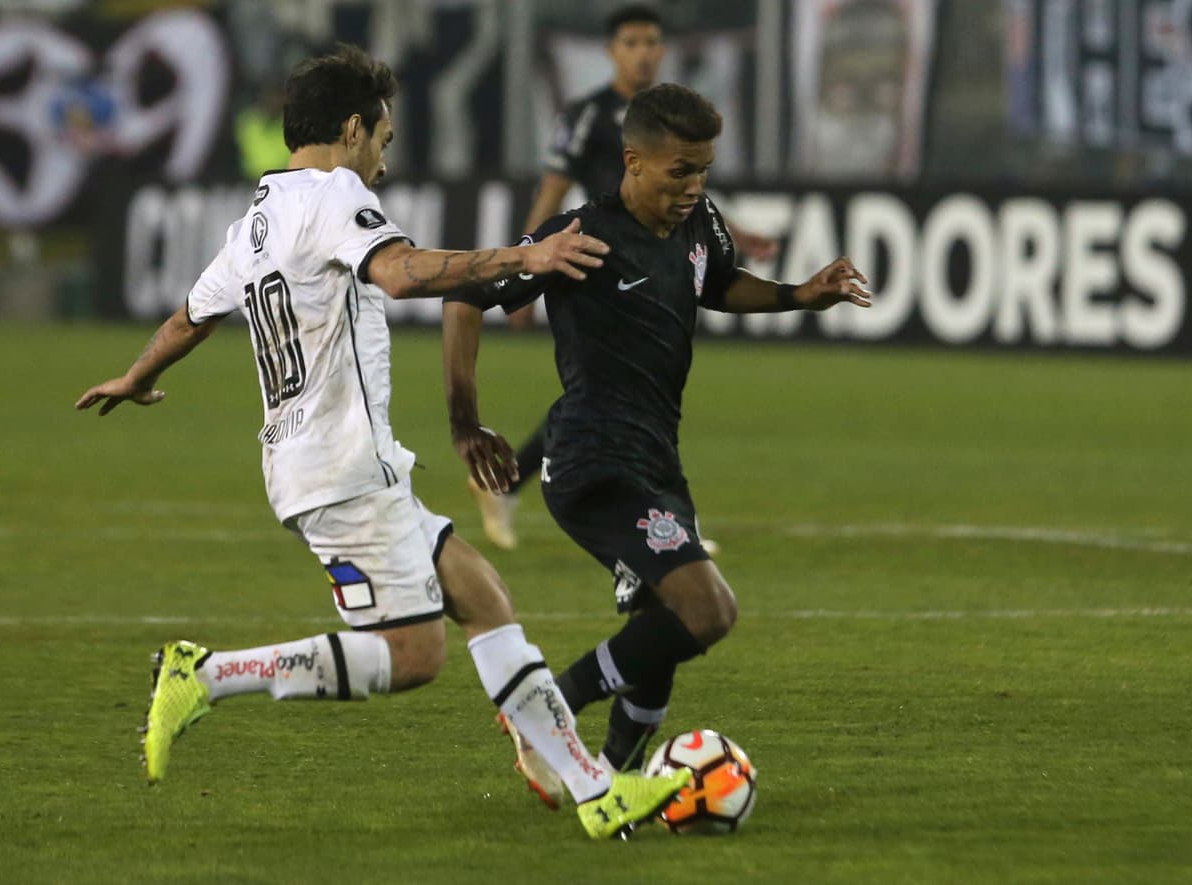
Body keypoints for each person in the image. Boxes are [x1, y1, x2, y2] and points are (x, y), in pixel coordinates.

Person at [75, 44, 689, 840]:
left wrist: (134, 374)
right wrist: (523, 255)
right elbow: (400, 274)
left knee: (484, 598)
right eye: (385, 143)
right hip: (339, 471)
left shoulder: (255, 221)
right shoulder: (333, 196)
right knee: (413, 656)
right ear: (354, 129)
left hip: (325, 467)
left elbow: (191, 316)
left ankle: (595, 790)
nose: (385, 165)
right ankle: (209, 673)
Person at [443, 83, 870, 779]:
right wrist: (465, 421)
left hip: (656, 462)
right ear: (634, 161)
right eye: (680, 172)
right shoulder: (581, 237)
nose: (694, 186)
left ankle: (609, 777)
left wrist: (798, 295)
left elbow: (721, 282)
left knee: (662, 628)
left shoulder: (699, 223)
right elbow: (467, 295)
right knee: (708, 609)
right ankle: (550, 703)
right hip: (593, 461)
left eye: (703, 171)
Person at [468, 3, 773, 552]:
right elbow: (554, 188)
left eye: (652, 42)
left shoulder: (672, 118)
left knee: (623, 392)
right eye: (631, 42)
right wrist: (525, 264)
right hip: (600, 267)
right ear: (611, 51)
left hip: (654, 263)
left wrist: (737, 234)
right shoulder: (588, 113)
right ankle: (653, 515)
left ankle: (527, 486)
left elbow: (684, 191)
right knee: (614, 392)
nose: (644, 52)